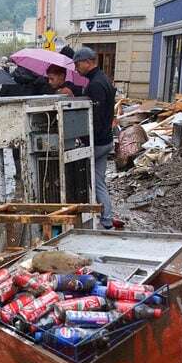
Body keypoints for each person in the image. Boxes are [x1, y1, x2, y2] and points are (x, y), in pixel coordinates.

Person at [68, 46, 117, 229]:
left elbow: (94, 117)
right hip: (106, 140)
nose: (76, 68)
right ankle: (106, 220)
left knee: (77, 177)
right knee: (99, 182)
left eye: (77, 64)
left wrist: (84, 140)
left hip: (97, 142)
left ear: (88, 62)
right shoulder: (103, 79)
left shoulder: (96, 84)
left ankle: (82, 218)